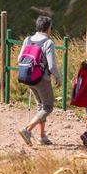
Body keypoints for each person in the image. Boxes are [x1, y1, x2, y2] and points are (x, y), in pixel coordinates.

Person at [17, 16, 62, 146]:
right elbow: (52, 65)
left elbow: (20, 58)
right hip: (42, 79)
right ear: (48, 28)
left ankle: (42, 136)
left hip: (28, 77)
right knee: (48, 107)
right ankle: (27, 130)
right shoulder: (48, 43)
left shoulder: (28, 39)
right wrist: (58, 78)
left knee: (41, 107)